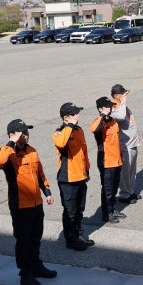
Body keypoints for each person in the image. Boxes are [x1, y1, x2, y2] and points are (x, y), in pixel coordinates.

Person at [0, 119, 57, 285]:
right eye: (22, 133)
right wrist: (11, 142)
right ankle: (26, 273)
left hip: (36, 203)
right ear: (12, 135)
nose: (26, 135)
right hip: (20, 206)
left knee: (36, 238)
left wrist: (47, 192)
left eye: (27, 132)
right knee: (24, 241)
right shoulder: (8, 153)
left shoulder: (32, 151)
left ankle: (37, 266)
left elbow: (40, 173)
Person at [53, 103, 93, 252]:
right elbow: (61, 143)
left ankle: (78, 234)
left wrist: (86, 170)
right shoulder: (59, 132)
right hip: (68, 179)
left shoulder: (78, 130)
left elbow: (84, 152)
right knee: (70, 211)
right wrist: (69, 125)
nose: (78, 116)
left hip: (80, 176)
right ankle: (71, 239)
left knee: (80, 209)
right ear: (66, 117)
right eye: (75, 114)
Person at [90, 97, 125, 224]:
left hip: (117, 160)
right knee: (107, 190)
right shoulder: (98, 123)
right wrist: (102, 116)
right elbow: (95, 130)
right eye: (107, 106)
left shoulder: (113, 121)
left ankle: (113, 209)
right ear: (100, 109)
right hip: (106, 162)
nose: (110, 108)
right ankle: (106, 214)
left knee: (114, 187)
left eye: (111, 106)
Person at [110, 84, 140, 204]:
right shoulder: (113, 106)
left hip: (132, 141)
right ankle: (124, 194)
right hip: (125, 143)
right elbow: (121, 117)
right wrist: (123, 101)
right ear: (117, 95)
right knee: (126, 171)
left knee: (132, 169)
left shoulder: (122, 104)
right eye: (123, 94)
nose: (125, 95)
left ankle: (130, 190)